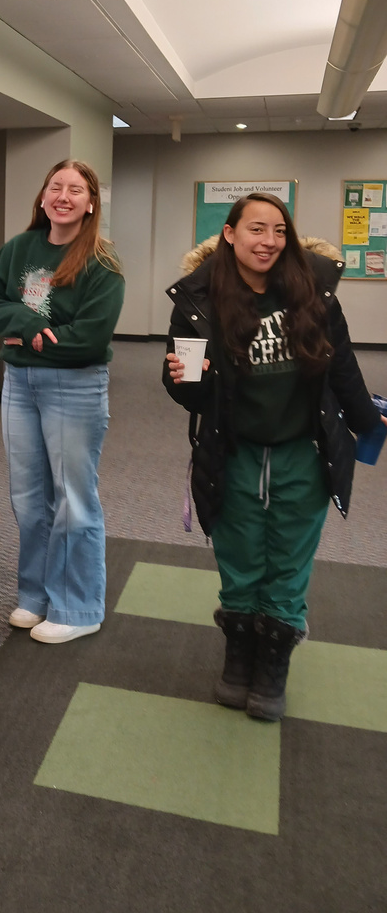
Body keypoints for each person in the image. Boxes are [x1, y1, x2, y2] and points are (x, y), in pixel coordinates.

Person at [163, 192, 386, 722]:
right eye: (257, 230)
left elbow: (343, 369)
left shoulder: (313, 294)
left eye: (279, 231)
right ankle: (239, 655)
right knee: (239, 559)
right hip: (234, 452)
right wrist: (186, 382)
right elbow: (187, 391)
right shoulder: (198, 299)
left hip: (303, 452)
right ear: (230, 234)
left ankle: (273, 664)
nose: (268, 242)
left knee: (288, 562)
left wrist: (369, 425)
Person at [0, 160, 124, 643]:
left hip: (74, 386)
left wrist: (33, 339)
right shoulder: (19, 249)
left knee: (73, 500)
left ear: (89, 204)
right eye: (55, 186)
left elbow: (91, 335)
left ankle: (79, 608)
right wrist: (24, 327)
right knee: (29, 497)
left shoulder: (101, 262)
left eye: (75, 189)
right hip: (20, 384)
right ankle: (36, 596)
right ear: (43, 197)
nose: (63, 195)